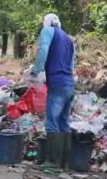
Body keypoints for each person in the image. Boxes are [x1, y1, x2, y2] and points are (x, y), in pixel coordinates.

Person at [31, 14, 75, 170]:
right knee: (64, 123)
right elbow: (71, 65)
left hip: (56, 84)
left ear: (47, 23)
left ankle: (53, 162)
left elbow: (43, 49)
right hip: (69, 85)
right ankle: (65, 163)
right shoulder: (69, 40)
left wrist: (36, 70)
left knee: (51, 123)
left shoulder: (48, 31)